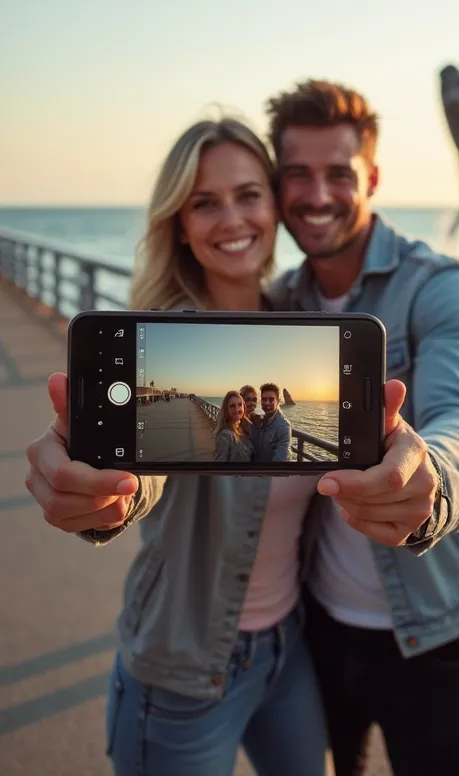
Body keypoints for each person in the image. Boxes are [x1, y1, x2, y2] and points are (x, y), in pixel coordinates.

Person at [24, 115, 430, 776]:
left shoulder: (295, 329)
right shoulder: (171, 338)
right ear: (179, 225)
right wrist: (103, 497)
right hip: (182, 669)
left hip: (287, 652)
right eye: (203, 203)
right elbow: (145, 472)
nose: (231, 218)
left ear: (273, 206)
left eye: (248, 194)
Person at [264, 79, 459, 776]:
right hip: (316, 622)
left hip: (433, 633)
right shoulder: (281, 303)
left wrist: (427, 488)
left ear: (370, 178)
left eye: (338, 174)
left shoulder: (441, 285)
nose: (317, 196)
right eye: (297, 175)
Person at [213, 390, 255, 463]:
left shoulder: (243, 428)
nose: (237, 409)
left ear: (243, 407)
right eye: (232, 406)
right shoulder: (225, 436)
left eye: (239, 404)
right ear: (226, 410)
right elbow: (219, 468)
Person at [255, 382, 292, 462]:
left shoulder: (283, 426)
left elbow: (281, 460)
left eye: (271, 399)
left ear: (278, 401)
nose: (267, 403)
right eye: (264, 399)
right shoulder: (260, 418)